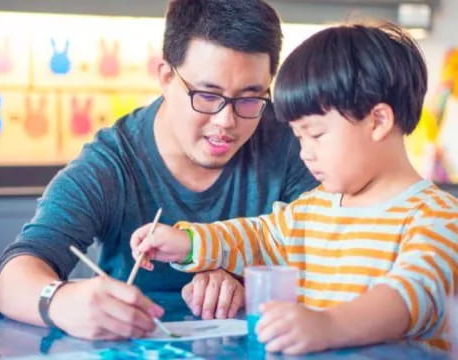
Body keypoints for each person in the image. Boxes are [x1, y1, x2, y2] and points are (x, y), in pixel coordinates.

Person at [0, 0, 317, 340]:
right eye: (207, 95)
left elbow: (337, 252)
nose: (225, 122)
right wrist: (61, 301)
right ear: (165, 77)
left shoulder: (296, 142)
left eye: (250, 98)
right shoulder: (113, 162)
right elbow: (11, 276)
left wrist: (245, 281)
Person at [130, 22, 458, 354]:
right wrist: (188, 243)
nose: (305, 152)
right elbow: (256, 237)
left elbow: (414, 295)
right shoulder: (311, 210)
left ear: (378, 121)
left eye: (315, 134)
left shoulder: (437, 218)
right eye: (299, 137)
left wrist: (330, 325)